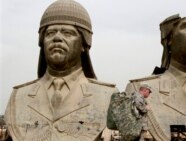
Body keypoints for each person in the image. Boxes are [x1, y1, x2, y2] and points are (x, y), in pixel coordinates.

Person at [3, 0, 117, 141]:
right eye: (50, 33)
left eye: (67, 33)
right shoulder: (18, 96)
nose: (57, 38)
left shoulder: (107, 95)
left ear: (84, 43)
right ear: (42, 42)